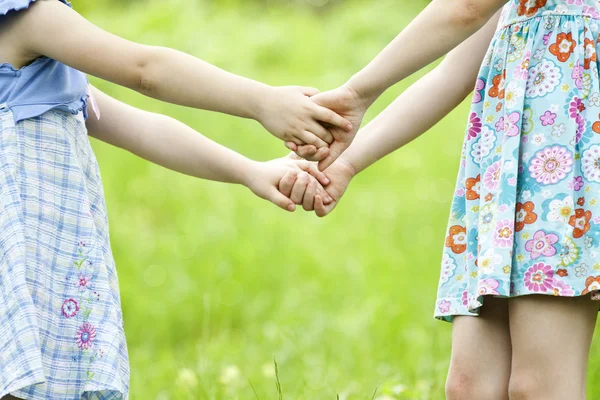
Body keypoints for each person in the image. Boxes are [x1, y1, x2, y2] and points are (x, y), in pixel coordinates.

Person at [0, 0, 339, 398]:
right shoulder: (28, 16)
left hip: (41, 259)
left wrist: (250, 171)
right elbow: (147, 71)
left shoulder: (41, 69)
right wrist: (261, 101)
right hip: (21, 255)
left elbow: (144, 129)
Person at [288, 0, 600, 398]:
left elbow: (465, 7)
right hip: (502, 192)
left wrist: (357, 92)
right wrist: (345, 164)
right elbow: (451, 74)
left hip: (566, 179)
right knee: (470, 387)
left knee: (540, 386)